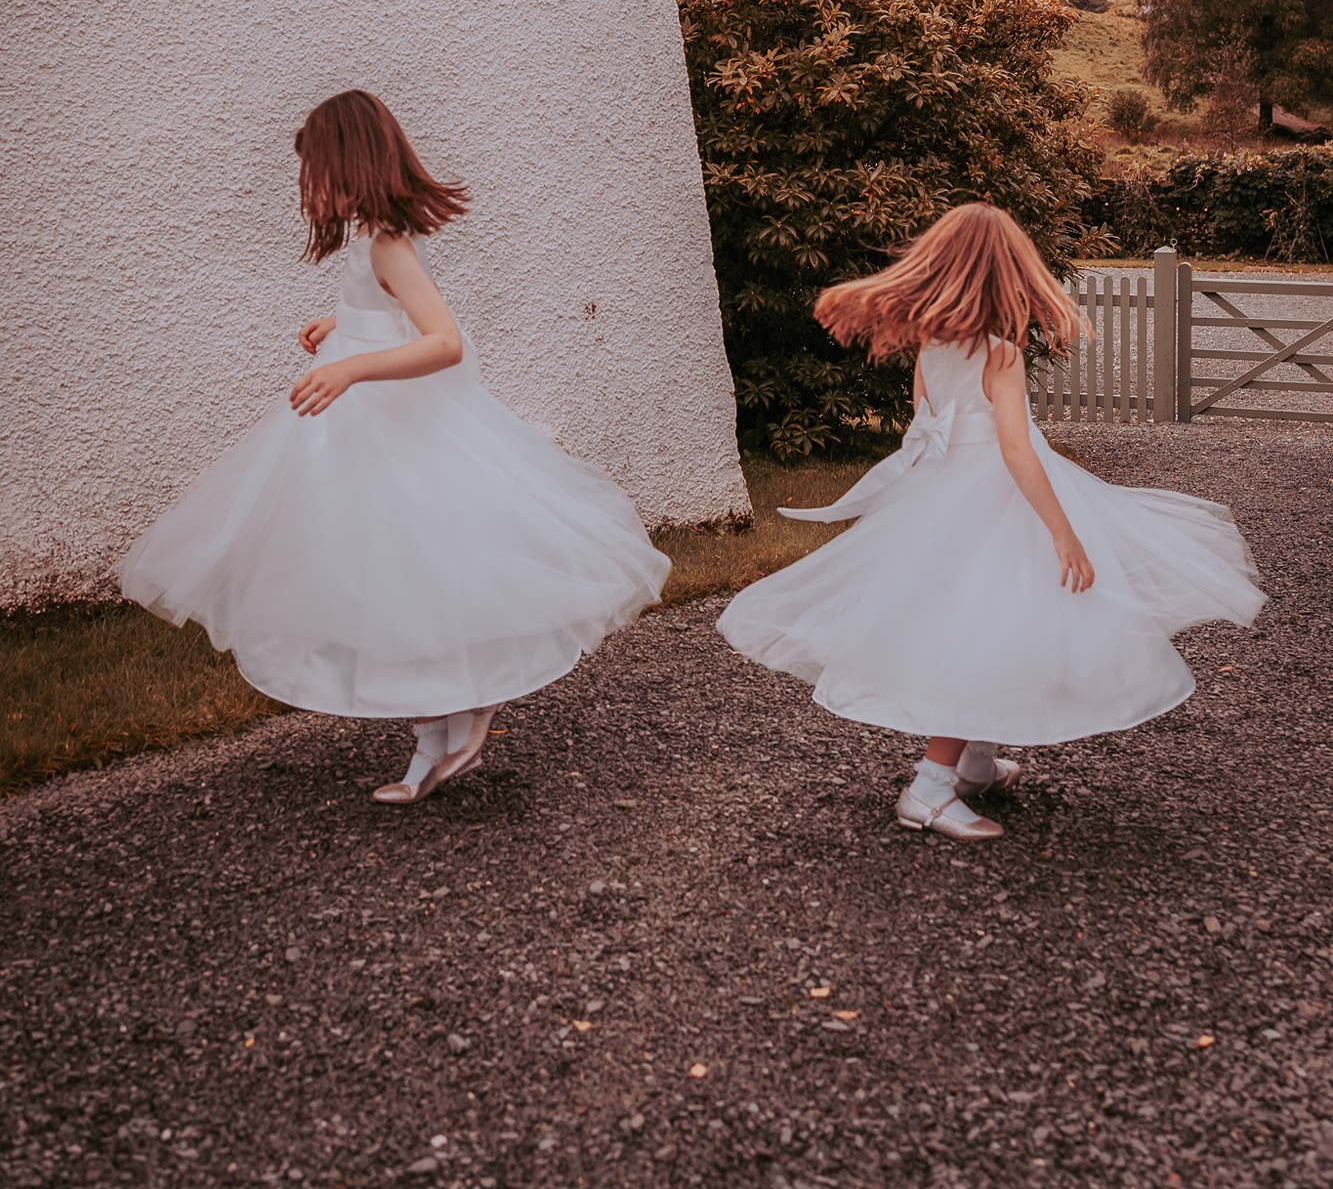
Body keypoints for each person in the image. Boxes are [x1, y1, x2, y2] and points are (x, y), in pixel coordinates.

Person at [122, 89, 669, 802]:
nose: (307, 188)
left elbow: (443, 342)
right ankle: (435, 738)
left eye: (314, 172)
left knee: (412, 584)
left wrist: (349, 366)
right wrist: (342, 327)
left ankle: (459, 712)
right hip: (365, 443)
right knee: (381, 589)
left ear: (349, 163)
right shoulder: (369, 247)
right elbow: (393, 317)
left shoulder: (388, 245)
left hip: (398, 441)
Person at [717, 204, 1264, 843]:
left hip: (948, 499)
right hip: (999, 501)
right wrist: (1062, 530)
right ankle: (928, 789)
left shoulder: (931, 350)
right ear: (1004, 274)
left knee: (996, 622)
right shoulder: (998, 355)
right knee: (981, 629)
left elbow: (923, 434)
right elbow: (1015, 451)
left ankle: (975, 761)